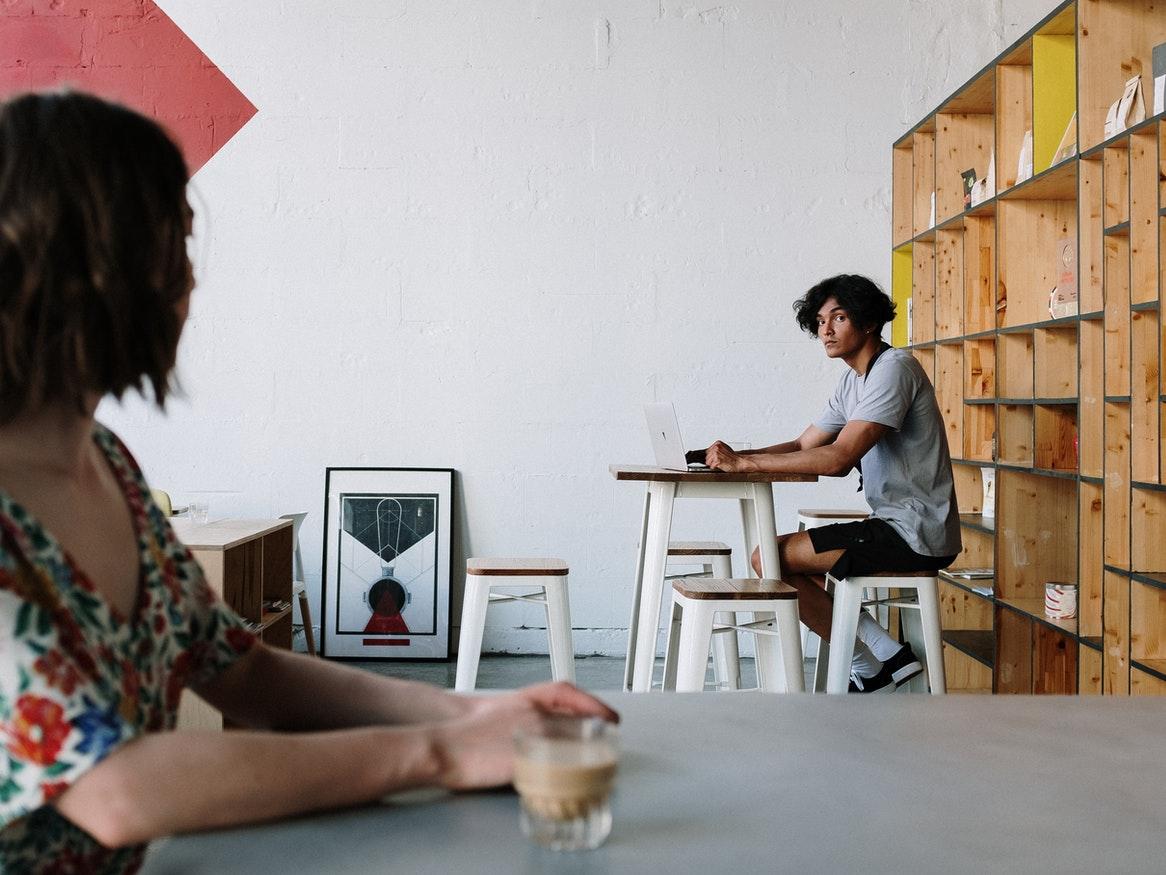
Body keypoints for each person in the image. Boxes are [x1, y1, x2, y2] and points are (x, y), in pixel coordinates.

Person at [0, 90, 617, 872]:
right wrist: (442, 751)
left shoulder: (108, 464)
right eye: (172, 247)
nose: (190, 281)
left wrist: (479, 709)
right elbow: (116, 790)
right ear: (85, 262)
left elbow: (239, 668)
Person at [700, 274, 961, 693]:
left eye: (839, 318)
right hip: (891, 525)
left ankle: (872, 663)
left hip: (915, 532)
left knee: (769, 558)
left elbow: (840, 458)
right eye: (820, 320)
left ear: (869, 321)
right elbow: (806, 443)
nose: (826, 329)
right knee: (770, 557)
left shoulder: (894, 369)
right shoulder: (853, 381)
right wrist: (731, 458)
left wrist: (744, 463)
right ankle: (885, 655)